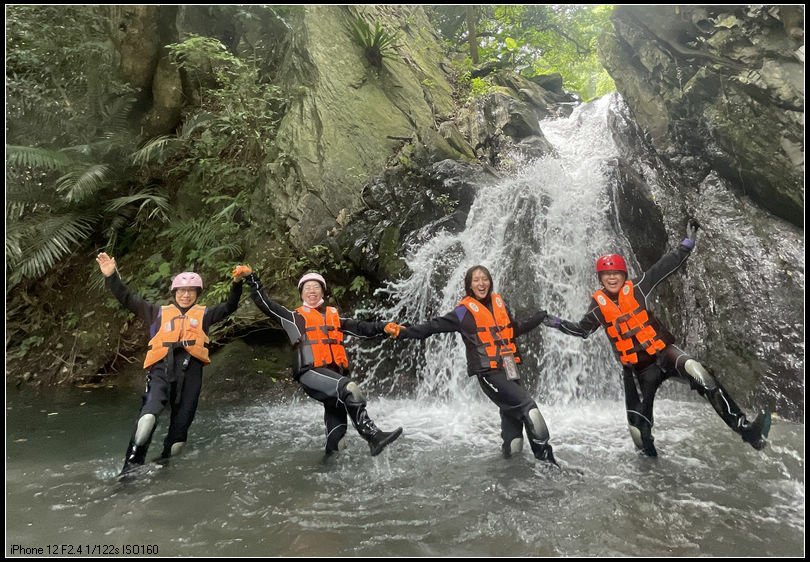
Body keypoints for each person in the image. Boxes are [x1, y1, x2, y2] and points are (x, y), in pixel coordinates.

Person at [542, 219, 771, 456]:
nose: (612, 278)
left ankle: (747, 431)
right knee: (639, 434)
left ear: (623, 275)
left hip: (663, 353)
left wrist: (687, 245)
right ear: (600, 278)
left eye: (616, 273)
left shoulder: (639, 286)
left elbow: (663, 267)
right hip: (637, 371)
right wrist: (559, 324)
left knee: (699, 373)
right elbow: (582, 330)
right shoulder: (597, 308)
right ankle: (652, 475)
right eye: (606, 274)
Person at [385, 265, 557, 464]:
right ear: (469, 285)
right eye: (476, 280)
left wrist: (538, 318)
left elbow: (512, 330)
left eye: (484, 279)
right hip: (489, 372)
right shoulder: (462, 312)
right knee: (529, 408)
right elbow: (433, 326)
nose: (481, 283)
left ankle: (510, 471)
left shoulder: (500, 303)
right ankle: (548, 463)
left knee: (514, 430)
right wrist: (403, 332)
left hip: (510, 366)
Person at [96, 252, 245, 475]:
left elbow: (230, 306)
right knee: (147, 419)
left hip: (191, 375)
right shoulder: (156, 313)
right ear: (174, 293)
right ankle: (130, 469)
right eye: (182, 291)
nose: (186, 295)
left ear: (197, 294)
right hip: (161, 371)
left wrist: (236, 283)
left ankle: (162, 470)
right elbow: (126, 297)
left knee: (177, 442)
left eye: (191, 291)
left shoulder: (205, 315)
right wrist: (111, 276)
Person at [236, 267, 402, 457]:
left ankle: (328, 468)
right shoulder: (293, 318)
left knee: (337, 439)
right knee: (350, 389)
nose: (312, 291)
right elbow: (265, 303)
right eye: (307, 288)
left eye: (316, 287)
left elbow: (361, 327)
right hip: (311, 373)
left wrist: (384, 328)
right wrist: (251, 277)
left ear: (323, 292)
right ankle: (373, 436)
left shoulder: (333, 316)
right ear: (301, 294)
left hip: (333, 377)